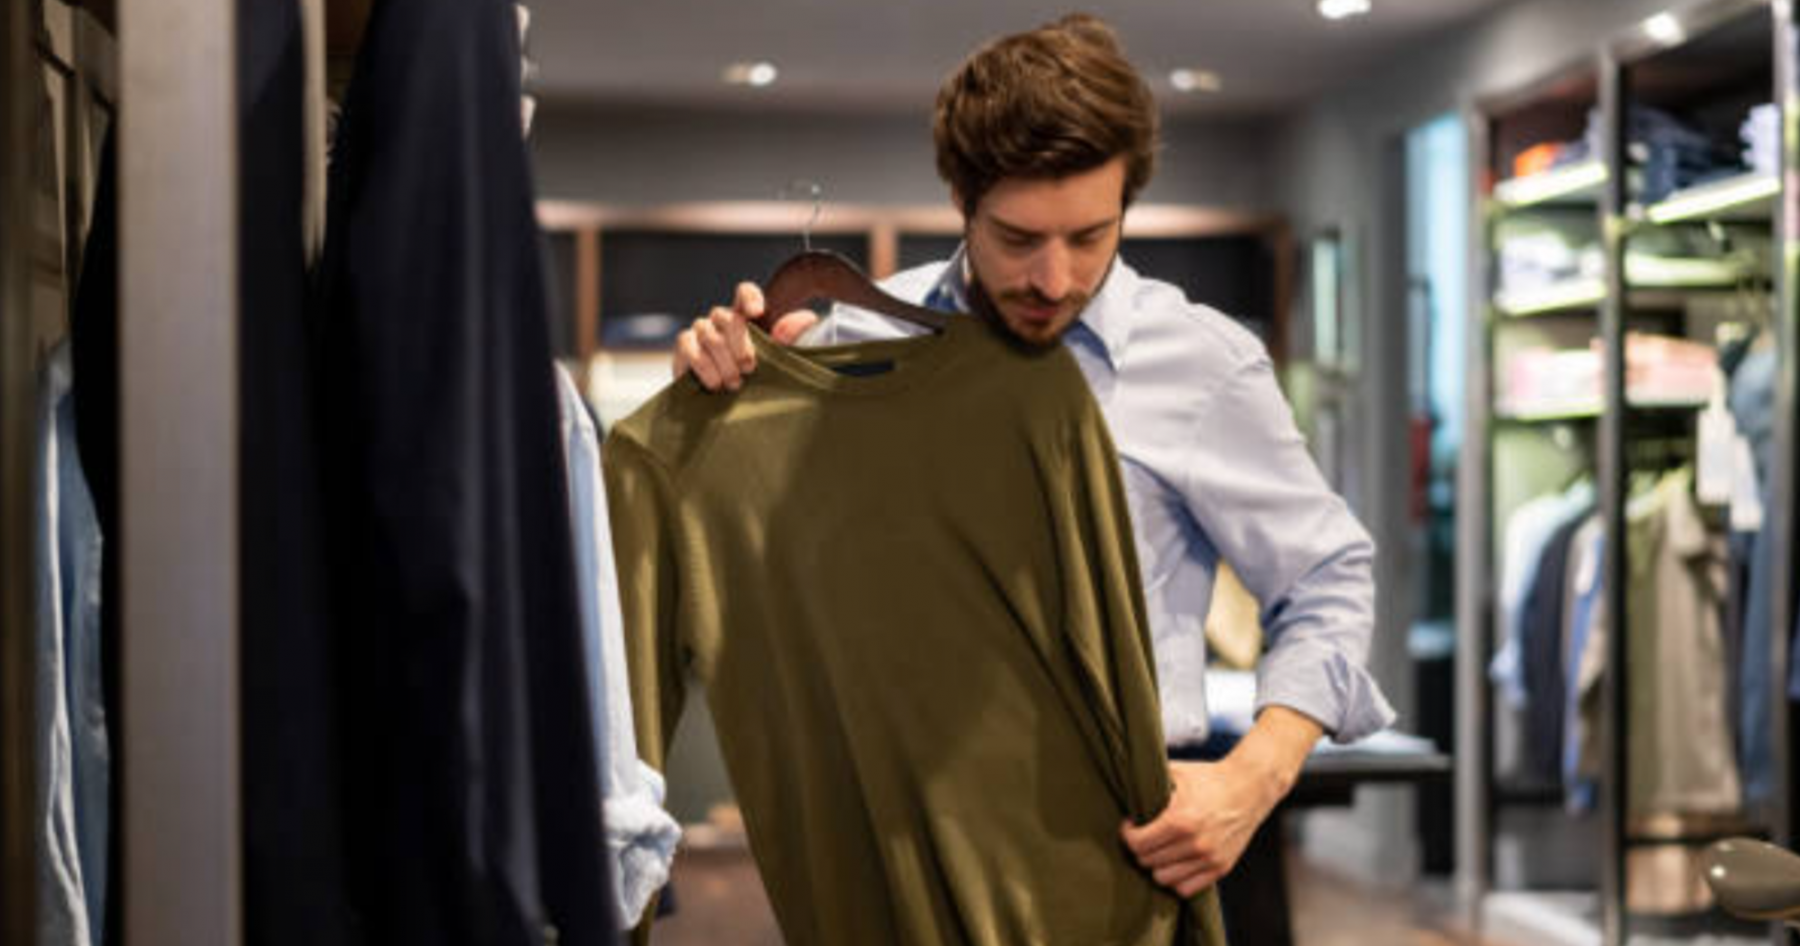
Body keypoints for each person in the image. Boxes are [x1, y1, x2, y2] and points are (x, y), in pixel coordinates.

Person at [670, 11, 1394, 908]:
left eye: (1090, 237)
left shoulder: (1204, 366)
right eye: (1018, 239)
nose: (1055, 280)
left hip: (1109, 857)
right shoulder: (859, 337)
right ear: (961, 201)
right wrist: (725, 397)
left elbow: (1328, 577)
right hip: (884, 844)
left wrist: (1255, 777)